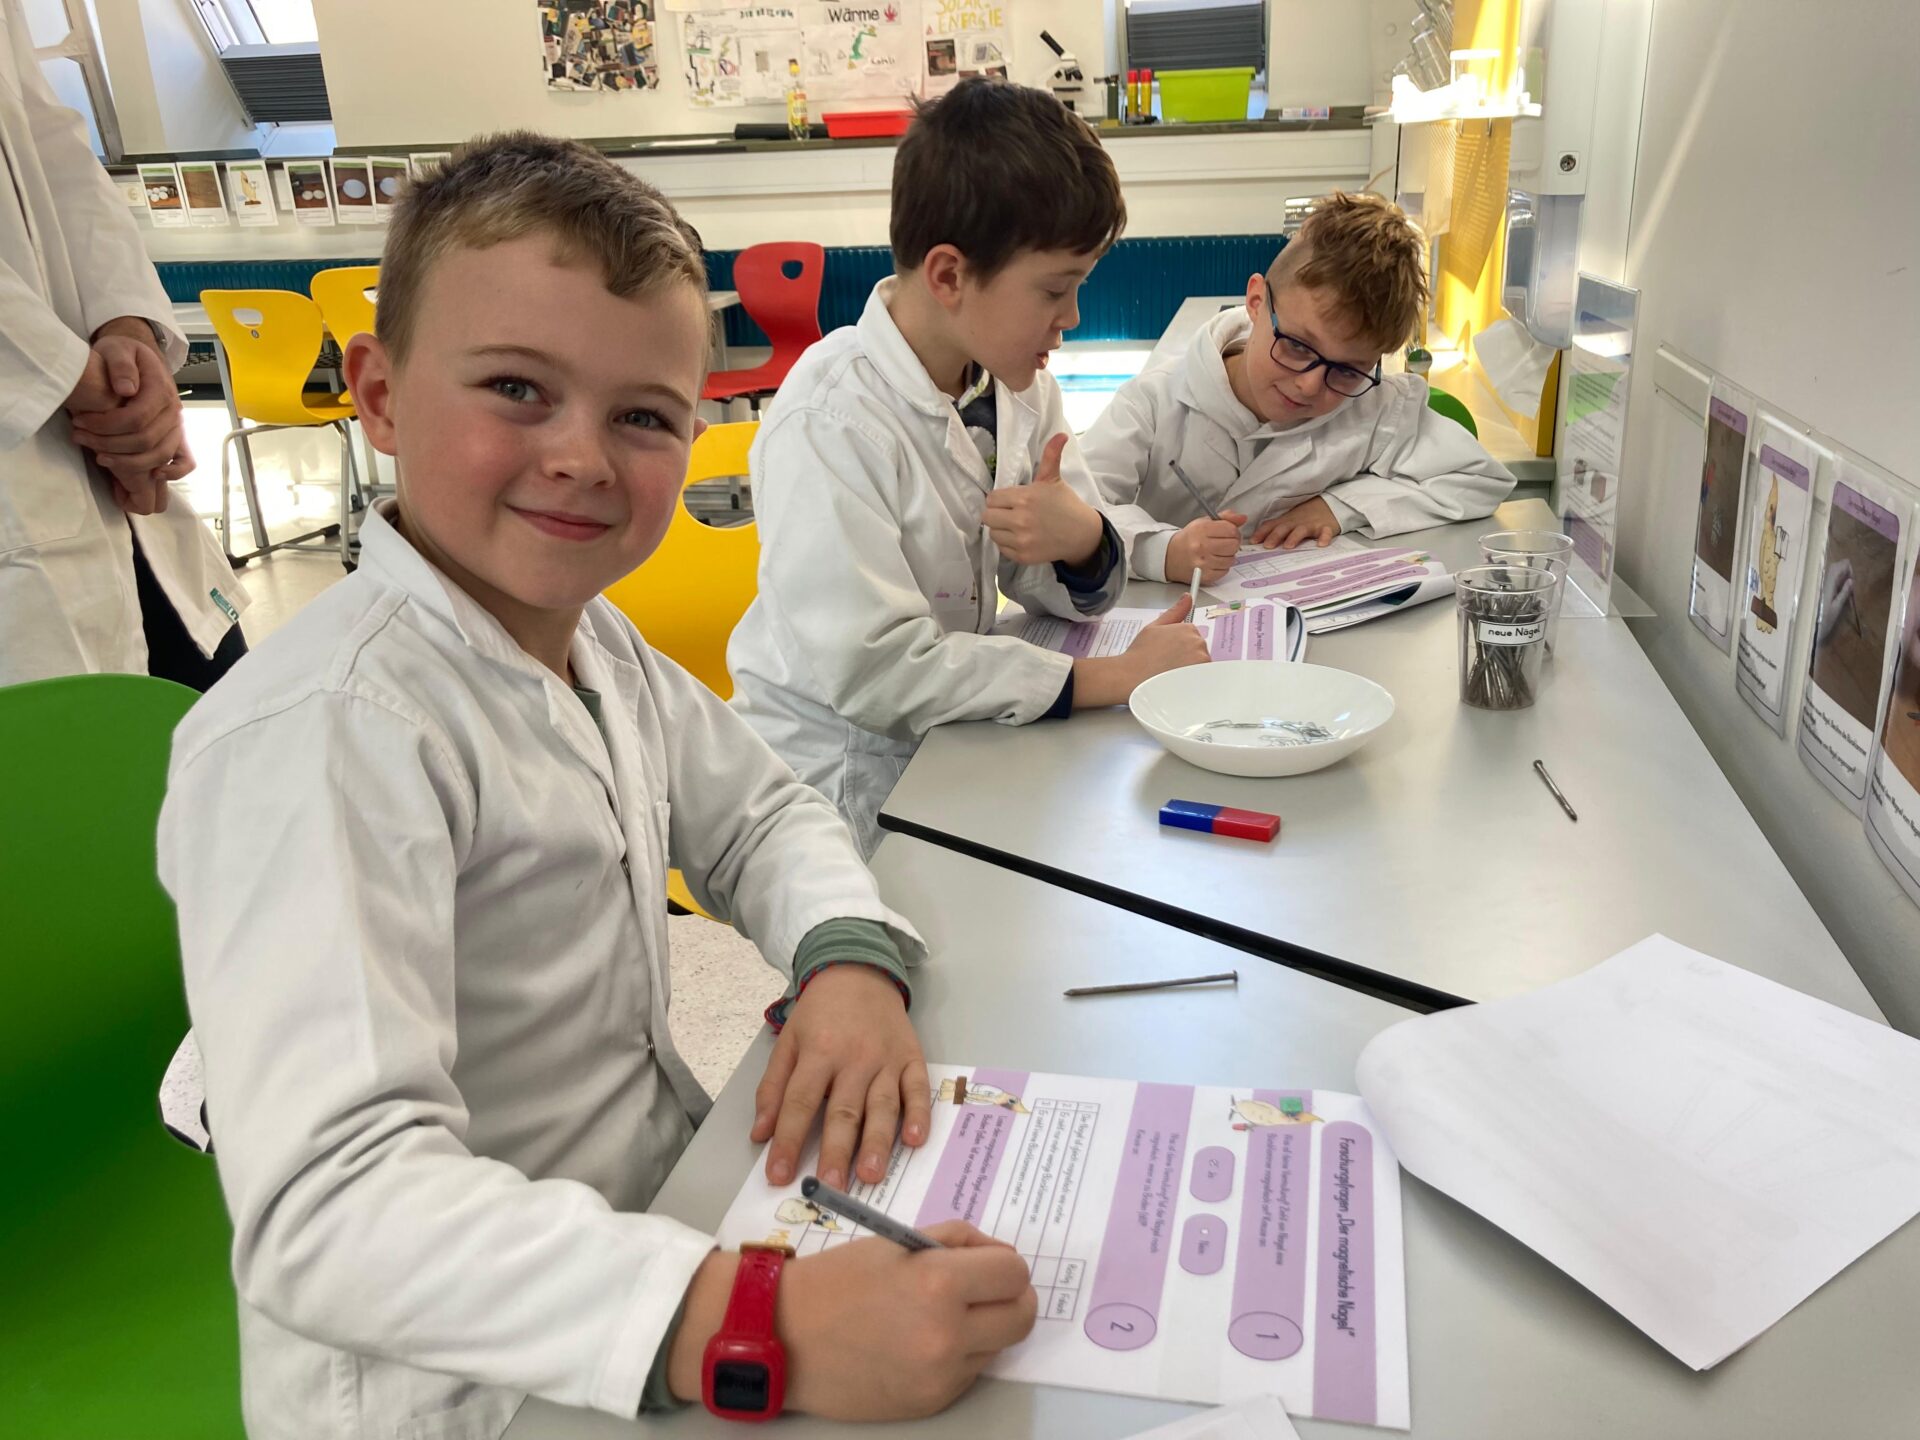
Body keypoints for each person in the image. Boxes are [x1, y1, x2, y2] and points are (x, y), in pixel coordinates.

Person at [158, 133, 1035, 1438]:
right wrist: (753, 1323)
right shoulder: (324, 737)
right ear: (381, 396)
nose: (582, 457)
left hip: (646, 1242)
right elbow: (331, 1208)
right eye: (517, 388)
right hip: (461, 1377)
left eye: (642, 417)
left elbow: (759, 815)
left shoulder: (588, 640)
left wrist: (846, 957)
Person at [727, 79, 1208, 855]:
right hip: (835, 780)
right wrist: (1109, 678)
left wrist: (1081, 540)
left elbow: (1047, 591)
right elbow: (877, 673)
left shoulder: (1014, 385)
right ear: (949, 276)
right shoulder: (829, 420)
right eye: (1055, 289)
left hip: (956, 735)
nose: (1072, 318)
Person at [1080, 191, 1515, 585]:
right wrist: (1162, 551)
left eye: (1346, 371)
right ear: (1256, 302)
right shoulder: (1151, 403)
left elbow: (1479, 478)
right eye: (1297, 346)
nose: (1309, 385)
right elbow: (1076, 507)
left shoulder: (1377, 408)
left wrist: (1341, 507)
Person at [0, 0, 247, 688]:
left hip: (109, 466)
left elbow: (52, 147)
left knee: (222, 713)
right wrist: (78, 380)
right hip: (37, 458)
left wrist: (128, 331)